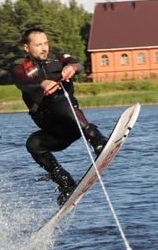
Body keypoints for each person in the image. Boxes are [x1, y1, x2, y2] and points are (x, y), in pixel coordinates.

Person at [11, 27, 108, 205]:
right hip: (54, 132)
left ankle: (97, 140)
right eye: (38, 45)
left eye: (45, 43)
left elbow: (77, 64)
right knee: (33, 144)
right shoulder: (20, 71)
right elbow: (23, 82)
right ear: (26, 47)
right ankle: (65, 182)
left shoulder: (60, 59)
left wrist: (71, 68)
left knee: (61, 102)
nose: (44, 48)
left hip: (73, 123)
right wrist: (42, 84)